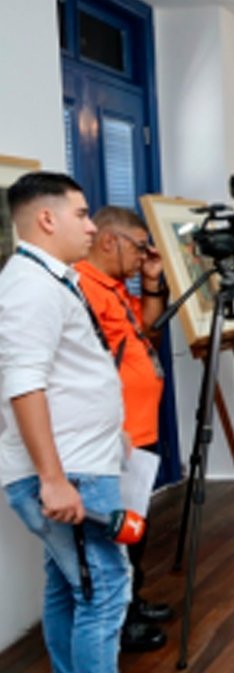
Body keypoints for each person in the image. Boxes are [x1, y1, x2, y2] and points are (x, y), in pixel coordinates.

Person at [0, 172, 129, 672]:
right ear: (46, 218)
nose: (93, 227)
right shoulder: (30, 287)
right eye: (81, 214)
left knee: (69, 586)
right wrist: (53, 480)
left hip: (79, 463)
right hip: (67, 473)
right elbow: (23, 385)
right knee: (105, 589)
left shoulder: (49, 278)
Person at [75, 206, 170, 653]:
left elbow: (146, 325)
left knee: (136, 524)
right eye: (139, 245)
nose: (144, 254)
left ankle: (132, 601)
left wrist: (151, 280)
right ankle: (120, 620)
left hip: (140, 428)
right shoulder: (81, 287)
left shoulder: (114, 287)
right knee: (115, 532)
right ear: (109, 240)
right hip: (114, 433)